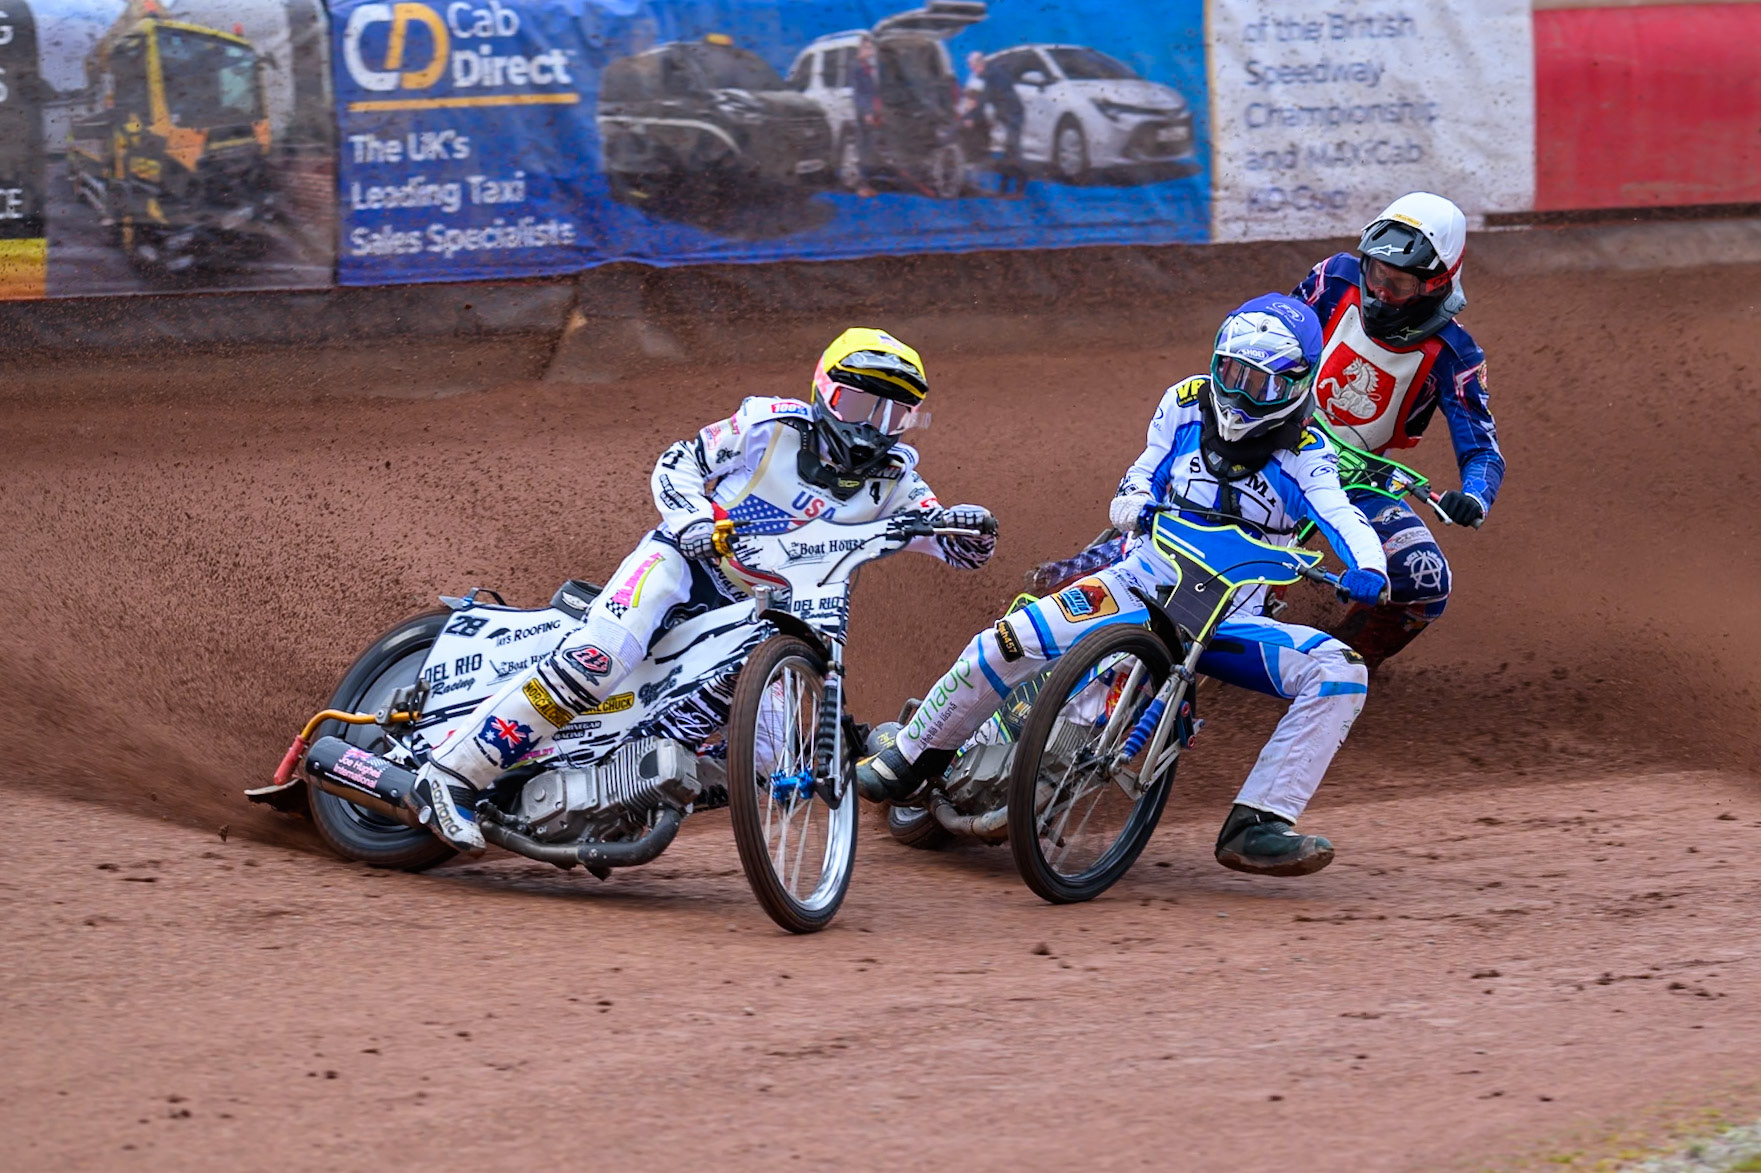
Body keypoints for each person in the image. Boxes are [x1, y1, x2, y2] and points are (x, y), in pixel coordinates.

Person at [405, 329, 998, 855]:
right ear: (824, 393)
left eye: (892, 413)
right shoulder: (768, 427)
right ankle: (451, 776)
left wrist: (970, 531)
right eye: (860, 403)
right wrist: (691, 519)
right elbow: (676, 462)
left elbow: (941, 531)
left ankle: (626, 785)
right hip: (683, 566)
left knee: (771, 760)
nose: (872, 426)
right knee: (601, 658)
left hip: (760, 616)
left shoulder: (896, 480)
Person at [858, 295, 1390, 877]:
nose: (1237, 395)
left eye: (1257, 385)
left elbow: (1344, 517)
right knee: (1006, 640)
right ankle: (908, 757)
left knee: (1341, 671)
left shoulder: (1306, 454)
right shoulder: (1184, 403)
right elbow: (1141, 473)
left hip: (1226, 621)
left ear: (1295, 385)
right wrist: (1134, 504)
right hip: (1137, 581)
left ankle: (1259, 823)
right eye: (1230, 374)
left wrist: (1371, 568)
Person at [1295, 191, 1505, 670]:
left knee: (1425, 582)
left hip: (1359, 480)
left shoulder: (1457, 356)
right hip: (1278, 440)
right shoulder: (1333, 277)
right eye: (1376, 275)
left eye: (1400, 284)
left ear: (1437, 283)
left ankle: (1334, 664)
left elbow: (1484, 453)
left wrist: (1473, 498)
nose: (1382, 293)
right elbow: (1275, 330)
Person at [964, 50, 1025, 196]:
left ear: (978, 64)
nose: (973, 70)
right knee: (1009, 153)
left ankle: (1018, 190)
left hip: (1013, 116)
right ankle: (1005, 189)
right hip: (1008, 115)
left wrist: (971, 117)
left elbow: (984, 100)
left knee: (1013, 153)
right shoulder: (990, 74)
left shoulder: (992, 75)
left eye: (972, 66)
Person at [850, 35, 882, 197]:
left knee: (870, 148)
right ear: (861, 49)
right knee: (864, 149)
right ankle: (862, 186)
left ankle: (867, 183)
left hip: (873, 112)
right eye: (868, 48)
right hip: (864, 114)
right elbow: (859, 94)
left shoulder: (867, 66)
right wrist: (867, 113)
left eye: (872, 48)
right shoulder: (857, 66)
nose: (871, 51)